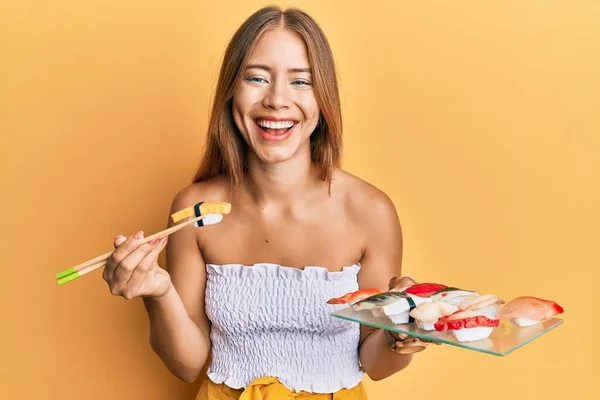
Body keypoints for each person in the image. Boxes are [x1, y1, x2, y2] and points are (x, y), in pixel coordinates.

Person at [102, 6, 434, 399]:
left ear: (324, 97)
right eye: (257, 78)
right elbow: (187, 364)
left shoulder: (370, 211)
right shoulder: (194, 210)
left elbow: (375, 363)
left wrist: (402, 336)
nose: (277, 100)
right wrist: (158, 292)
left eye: (301, 82)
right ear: (231, 91)